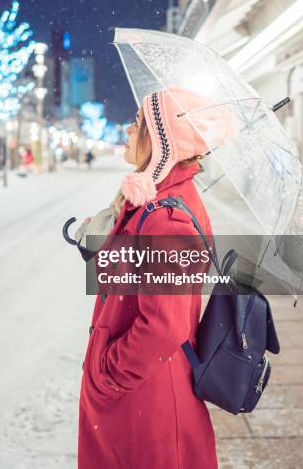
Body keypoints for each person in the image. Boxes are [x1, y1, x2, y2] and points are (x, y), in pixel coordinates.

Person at [78, 86, 233, 469]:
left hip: (144, 395)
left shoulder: (167, 219)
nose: (129, 132)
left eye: (137, 123)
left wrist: (109, 372)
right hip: (143, 389)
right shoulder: (153, 204)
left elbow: (162, 327)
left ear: (163, 140)